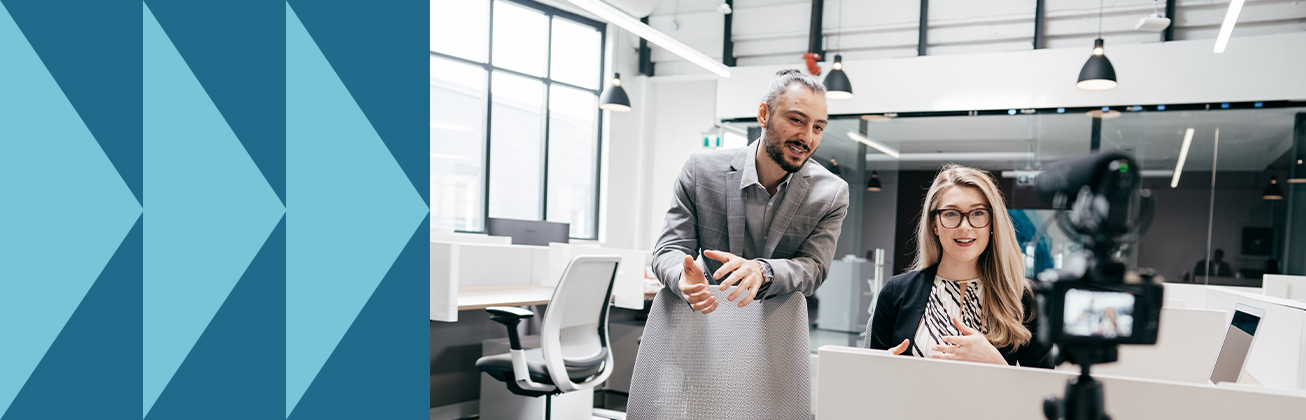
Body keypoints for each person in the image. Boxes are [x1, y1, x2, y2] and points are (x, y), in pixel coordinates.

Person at [651, 68, 849, 315]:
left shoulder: (830, 193)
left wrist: (763, 270)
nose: (807, 138)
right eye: (797, 120)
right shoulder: (701, 171)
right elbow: (669, 249)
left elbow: (814, 268)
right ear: (764, 115)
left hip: (776, 325)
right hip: (708, 315)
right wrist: (683, 276)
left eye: (818, 127)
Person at [864, 164, 1051, 367]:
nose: (965, 226)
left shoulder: (1023, 298)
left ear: (992, 222)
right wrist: (879, 369)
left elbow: (1042, 384)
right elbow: (870, 376)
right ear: (934, 223)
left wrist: (997, 364)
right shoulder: (896, 292)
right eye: (951, 214)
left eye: (977, 213)